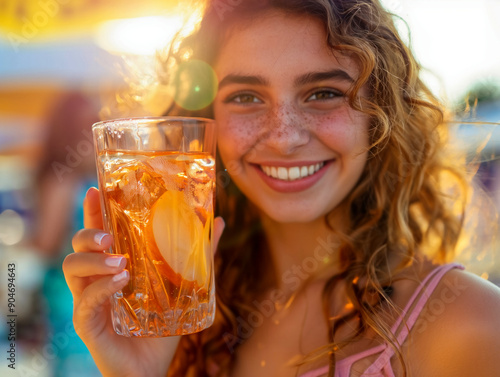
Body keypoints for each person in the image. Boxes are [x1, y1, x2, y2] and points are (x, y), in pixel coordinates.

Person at [63, 1, 500, 376]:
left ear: (379, 113)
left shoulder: (472, 326)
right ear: (207, 119)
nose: (283, 137)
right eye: (247, 98)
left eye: (324, 93)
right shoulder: (190, 318)